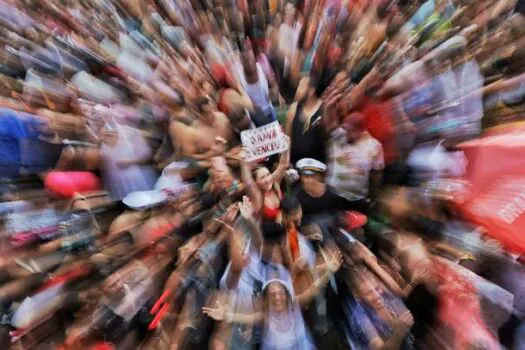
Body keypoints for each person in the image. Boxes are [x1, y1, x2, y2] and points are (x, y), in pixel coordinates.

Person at [327, 112, 384, 201]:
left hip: (356, 198)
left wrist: (373, 194)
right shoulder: (338, 136)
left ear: (360, 131)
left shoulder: (374, 146)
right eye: (346, 129)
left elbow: (376, 173)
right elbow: (328, 124)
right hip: (332, 193)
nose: (347, 132)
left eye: (351, 130)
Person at [240, 139, 290, 222]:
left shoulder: (274, 183)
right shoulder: (257, 195)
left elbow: (284, 164)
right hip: (269, 233)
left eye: (268, 174)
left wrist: (286, 148)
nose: (267, 179)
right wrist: (242, 162)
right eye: (262, 177)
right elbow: (247, 181)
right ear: (256, 183)